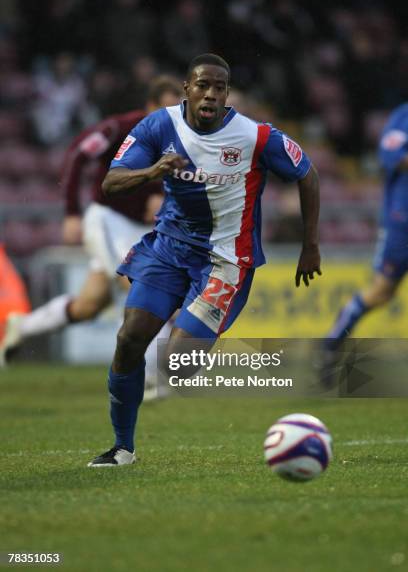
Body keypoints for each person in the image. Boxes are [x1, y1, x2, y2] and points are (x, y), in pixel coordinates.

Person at [87, 53, 321, 467]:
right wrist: (153, 170)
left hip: (224, 261)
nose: (210, 94)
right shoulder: (160, 125)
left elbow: (307, 173)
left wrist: (310, 244)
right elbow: (110, 182)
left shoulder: (255, 136)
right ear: (187, 89)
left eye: (219, 87)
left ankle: (261, 368)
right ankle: (123, 448)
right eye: (203, 86)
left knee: (178, 368)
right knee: (128, 341)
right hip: (168, 249)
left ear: (227, 94)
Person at [0, 76, 183, 386]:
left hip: (142, 229)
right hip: (108, 220)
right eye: (164, 108)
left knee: (89, 305)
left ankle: (23, 326)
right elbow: (78, 154)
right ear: (150, 106)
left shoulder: (184, 138)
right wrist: (71, 212)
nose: (170, 115)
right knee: (146, 285)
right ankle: (153, 378)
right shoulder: (121, 127)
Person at [322, 103, 408, 383]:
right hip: (402, 221)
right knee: (381, 291)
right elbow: (392, 156)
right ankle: (330, 343)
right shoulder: (403, 116)